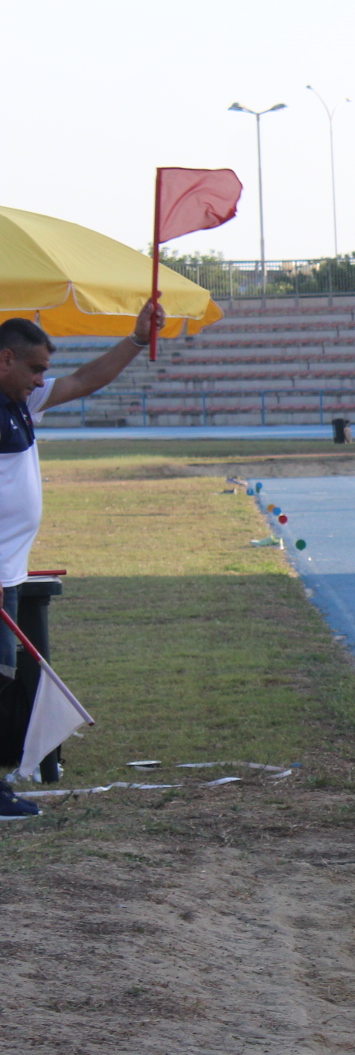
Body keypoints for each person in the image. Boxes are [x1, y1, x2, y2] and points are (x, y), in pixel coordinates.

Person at [0, 302, 166, 817]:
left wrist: (136, 339)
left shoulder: (21, 401)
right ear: (5, 359)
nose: (42, 379)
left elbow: (83, 380)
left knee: (2, 679)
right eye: (35, 369)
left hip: (9, 574)